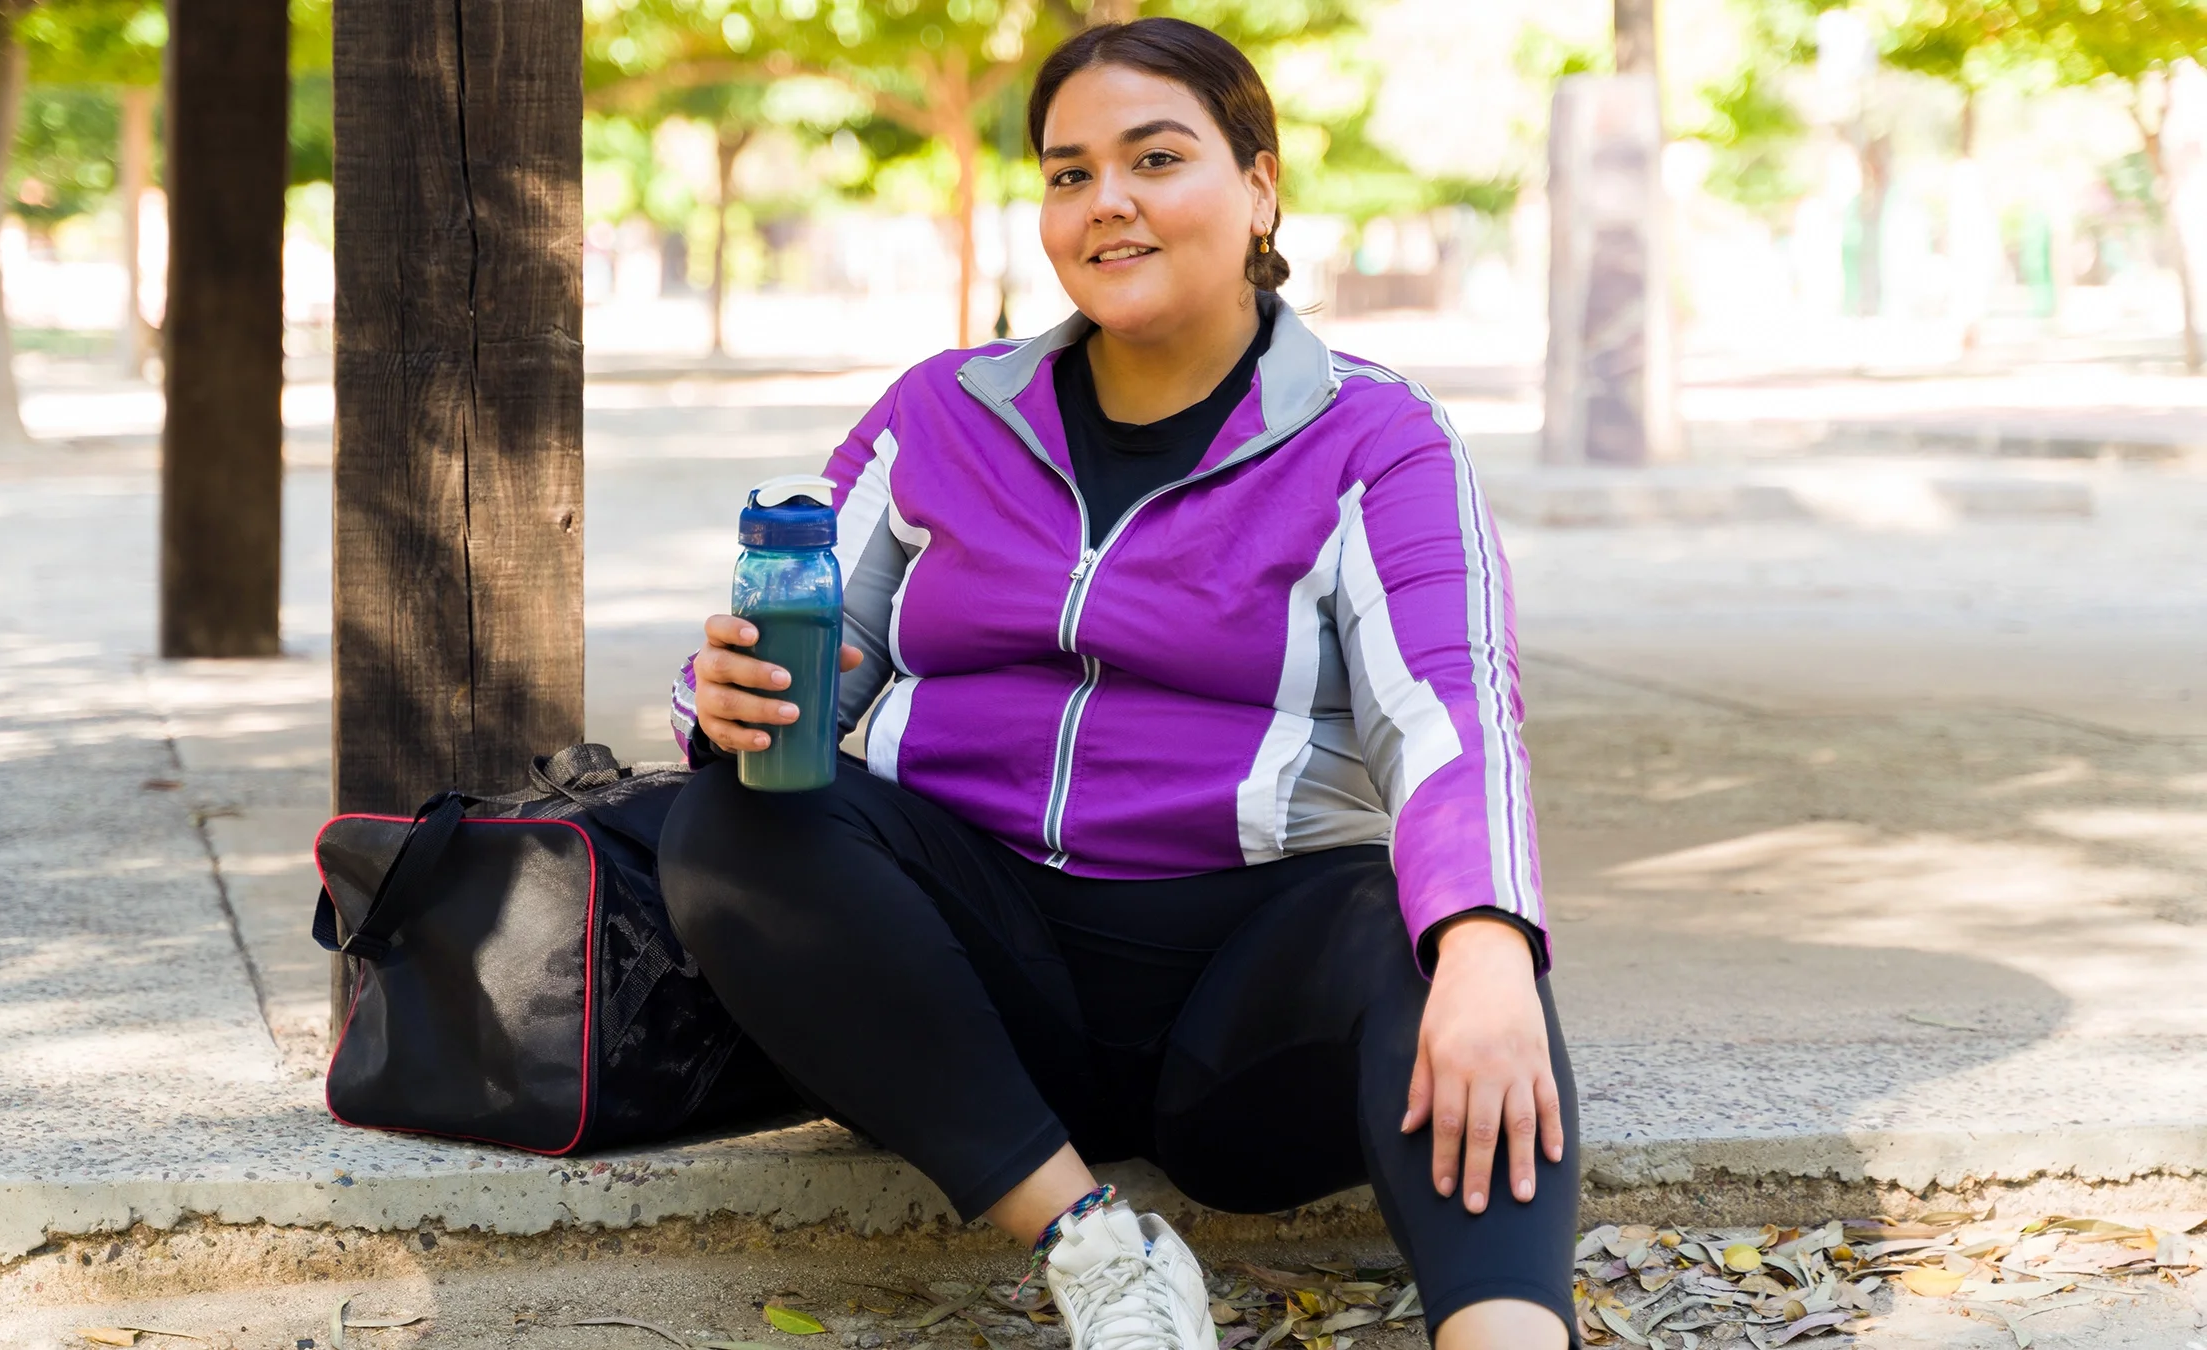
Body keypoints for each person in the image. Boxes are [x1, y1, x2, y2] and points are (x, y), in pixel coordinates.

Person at [657, 19, 1576, 1350]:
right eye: (1070, 171)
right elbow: (767, 669)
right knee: (734, 816)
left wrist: (1489, 940)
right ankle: (1098, 1247)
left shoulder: (1374, 439)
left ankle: (1506, 1335)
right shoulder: (941, 414)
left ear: (1261, 186)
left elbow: (1453, 710)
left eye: (1156, 157)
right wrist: (723, 696)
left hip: (1243, 1009)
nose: (1108, 203)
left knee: (1442, 937)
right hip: (967, 996)